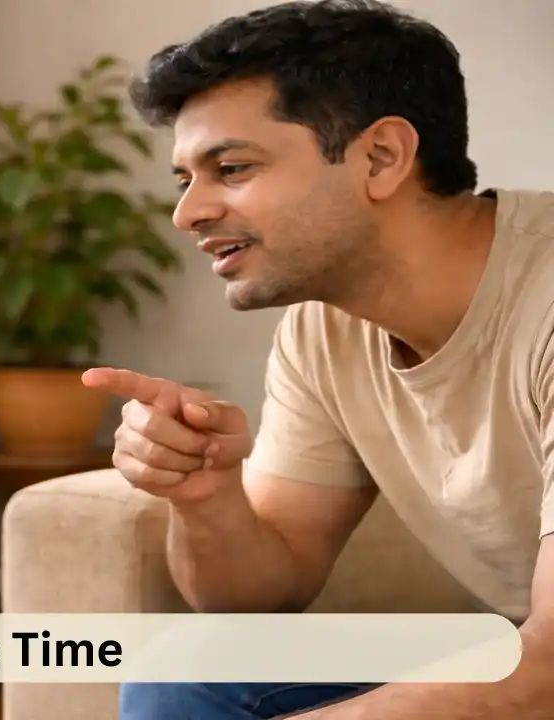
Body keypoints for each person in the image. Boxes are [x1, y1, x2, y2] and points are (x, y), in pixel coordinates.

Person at [81, 0, 554, 718]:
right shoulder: (324, 331)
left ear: (381, 157)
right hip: (521, 646)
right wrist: (205, 497)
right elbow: (256, 601)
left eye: (230, 168)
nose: (187, 213)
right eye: (185, 180)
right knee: (188, 673)